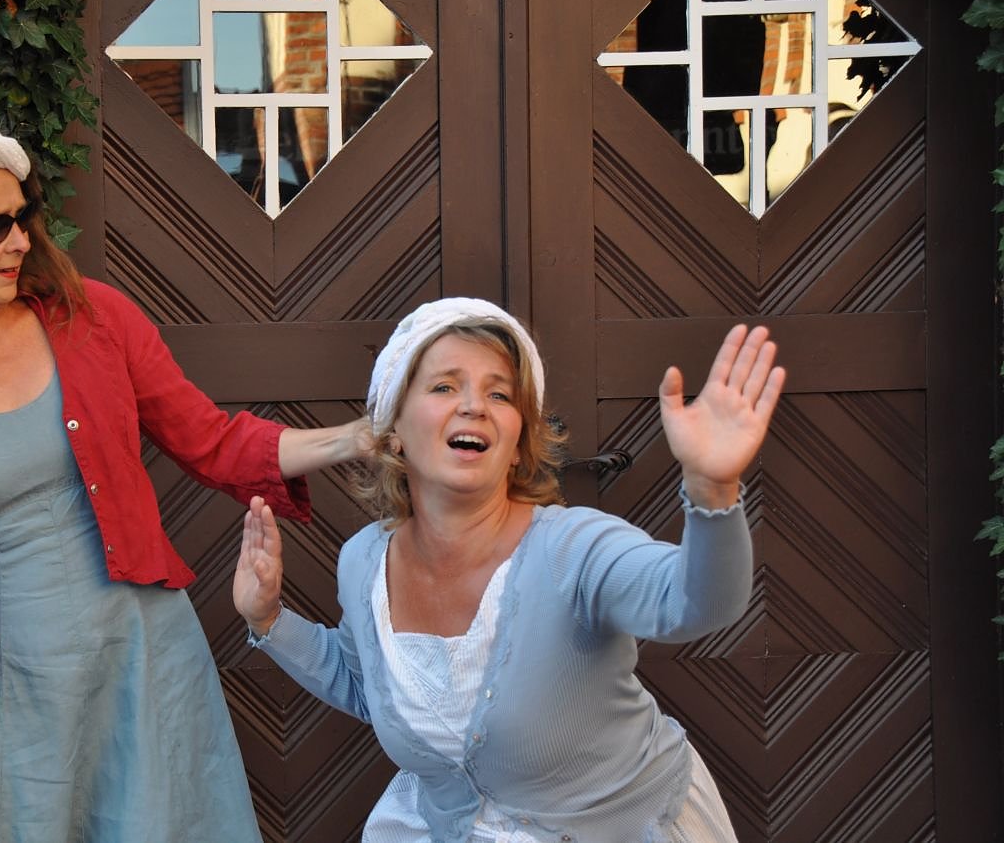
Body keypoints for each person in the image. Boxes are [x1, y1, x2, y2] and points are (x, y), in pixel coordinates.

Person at [0, 117, 366, 843]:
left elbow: (214, 443)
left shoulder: (94, 320)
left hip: (140, 661)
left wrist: (355, 438)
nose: (19, 241)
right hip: (1, 691)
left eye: (22, 217)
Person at [234, 297, 786, 842]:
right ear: (392, 429)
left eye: (499, 394)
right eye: (444, 387)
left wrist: (712, 489)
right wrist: (268, 619)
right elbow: (367, 686)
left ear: (519, 443)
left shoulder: (574, 548)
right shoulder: (364, 560)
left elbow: (697, 604)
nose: (474, 406)